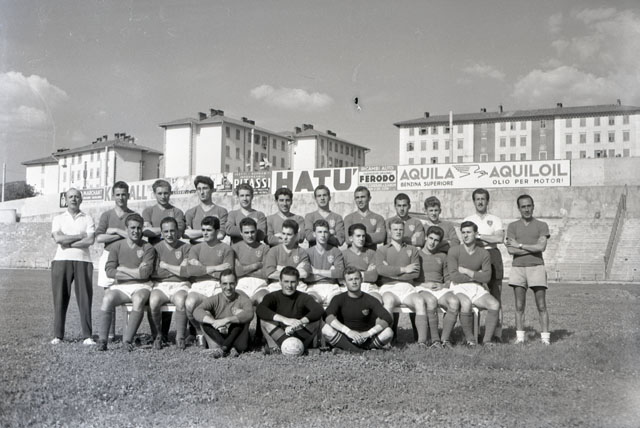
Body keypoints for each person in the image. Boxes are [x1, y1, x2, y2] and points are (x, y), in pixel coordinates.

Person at [97, 213, 156, 351]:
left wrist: (122, 268)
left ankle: (127, 340)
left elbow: (144, 274)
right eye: (132, 228)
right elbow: (109, 271)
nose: (136, 231)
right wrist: (135, 272)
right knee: (107, 298)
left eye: (139, 228)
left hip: (142, 286)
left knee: (139, 299)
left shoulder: (147, 247)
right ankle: (102, 340)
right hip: (122, 286)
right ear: (126, 229)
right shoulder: (116, 246)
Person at [50, 188, 95, 345]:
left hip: (83, 260)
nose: (74, 199)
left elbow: (90, 241)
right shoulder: (58, 218)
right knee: (60, 298)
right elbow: (58, 239)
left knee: (85, 298)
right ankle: (58, 335)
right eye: (71, 197)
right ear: (66, 200)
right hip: (61, 260)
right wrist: (79, 236)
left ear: (81, 199)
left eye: (76, 196)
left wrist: (67, 242)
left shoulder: (87, 218)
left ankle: (87, 336)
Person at [142, 179, 185, 342]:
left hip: (173, 252)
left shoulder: (177, 211)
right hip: (154, 253)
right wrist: (165, 231)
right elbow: (145, 231)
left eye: (166, 193)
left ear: (170, 193)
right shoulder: (148, 211)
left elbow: (179, 233)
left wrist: (157, 231)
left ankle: (165, 333)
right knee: (155, 295)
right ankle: (157, 334)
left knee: (171, 288)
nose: (163, 196)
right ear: (154, 194)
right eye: (159, 193)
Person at [505, 195, 551, 345]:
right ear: (519, 208)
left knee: (541, 305)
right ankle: (520, 338)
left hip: (536, 267)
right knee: (519, 305)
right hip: (518, 268)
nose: (526, 209)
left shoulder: (541, 225)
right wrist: (532, 248)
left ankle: (545, 339)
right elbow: (511, 250)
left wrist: (520, 245)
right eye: (523, 206)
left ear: (533, 206)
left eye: (529, 206)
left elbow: (541, 247)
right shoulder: (512, 226)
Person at [447, 221, 500, 347]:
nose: (465, 235)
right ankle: (470, 340)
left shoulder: (484, 253)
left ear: (476, 234)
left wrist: (467, 271)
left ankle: (487, 341)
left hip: (477, 287)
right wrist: (476, 276)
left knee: (494, 304)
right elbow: (454, 276)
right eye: (463, 232)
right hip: (458, 287)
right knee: (466, 303)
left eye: (469, 232)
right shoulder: (454, 251)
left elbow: (486, 277)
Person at [184, 216, 234, 347]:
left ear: (217, 231)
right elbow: (191, 271)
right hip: (199, 285)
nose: (205, 233)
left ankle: (214, 335)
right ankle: (199, 332)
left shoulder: (226, 249)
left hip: (218, 286)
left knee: (212, 309)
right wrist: (216, 268)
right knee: (189, 303)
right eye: (203, 230)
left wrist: (201, 267)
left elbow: (226, 274)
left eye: (209, 230)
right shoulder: (196, 248)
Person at [376, 219, 428, 345]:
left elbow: (415, 273)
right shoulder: (382, 250)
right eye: (395, 229)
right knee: (388, 301)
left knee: (420, 301)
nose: (398, 232)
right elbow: (381, 270)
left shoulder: (412, 249)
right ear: (390, 231)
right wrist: (404, 269)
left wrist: (391, 272)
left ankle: (422, 342)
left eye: (400, 229)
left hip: (407, 287)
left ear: (404, 231)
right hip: (389, 287)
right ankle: (386, 341)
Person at [95, 181, 135, 340]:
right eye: (118, 194)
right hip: (109, 255)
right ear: (113, 196)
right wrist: (120, 231)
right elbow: (99, 238)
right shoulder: (106, 215)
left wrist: (114, 232)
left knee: (129, 293)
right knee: (108, 295)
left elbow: (135, 236)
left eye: (124, 194)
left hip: (126, 257)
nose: (121, 198)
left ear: (128, 195)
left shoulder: (132, 215)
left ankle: (128, 334)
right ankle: (110, 334)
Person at [464, 188, 504, 342]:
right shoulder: (468, 219)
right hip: (475, 255)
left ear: (487, 201)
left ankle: (497, 334)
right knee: (475, 294)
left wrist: (479, 235)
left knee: (496, 295)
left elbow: (499, 238)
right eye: (477, 199)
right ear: (474, 201)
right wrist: (488, 237)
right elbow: (466, 240)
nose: (480, 202)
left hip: (493, 255)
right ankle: (476, 332)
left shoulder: (495, 219)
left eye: (483, 199)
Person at [322, 268, 394, 353]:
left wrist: (368, 333)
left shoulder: (370, 299)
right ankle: (362, 351)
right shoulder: (338, 298)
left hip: (366, 338)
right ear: (344, 282)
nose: (354, 282)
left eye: (356, 278)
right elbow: (327, 315)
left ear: (361, 280)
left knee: (388, 332)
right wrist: (348, 331)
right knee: (326, 329)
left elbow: (387, 318)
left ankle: (346, 350)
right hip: (345, 337)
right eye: (350, 279)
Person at [256, 266, 324, 354]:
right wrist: (285, 320)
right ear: (280, 281)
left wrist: (299, 322)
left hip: (298, 333)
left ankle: (287, 349)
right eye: (286, 281)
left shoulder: (304, 297)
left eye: (293, 282)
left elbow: (318, 310)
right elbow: (260, 309)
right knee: (264, 320)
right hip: (280, 335)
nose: (289, 285)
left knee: (316, 321)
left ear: (298, 282)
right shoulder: (272, 296)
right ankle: (281, 348)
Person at [149, 217, 191, 350]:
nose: (169, 234)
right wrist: (177, 270)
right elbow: (155, 273)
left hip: (181, 284)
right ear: (161, 233)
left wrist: (166, 266)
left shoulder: (186, 247)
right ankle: (158, 335)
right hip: (161, 284)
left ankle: (180, 337)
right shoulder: (155, 248)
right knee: (153, 301)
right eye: (166, 231)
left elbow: (186, 272)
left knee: (180, 301)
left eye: (172, 231)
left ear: (178, 231)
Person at [415, 226, 460, 348]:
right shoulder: (417, 254)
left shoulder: (442, 256)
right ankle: (435, 340)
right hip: (421, 287)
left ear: (439, 242)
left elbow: (448, 279)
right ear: (426, 237)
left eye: (436, 240)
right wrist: (424, 285)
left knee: (454, 302)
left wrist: (442, 285)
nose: (432, 242)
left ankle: (445, 339)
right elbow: (411, 279)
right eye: (430, 238)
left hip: (439, 289)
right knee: (431, 301)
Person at [193, 269, 254, 357]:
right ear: (220, 284)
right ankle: (226, 347)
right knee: (205, 315)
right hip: (218, 335)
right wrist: (213, 322)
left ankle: (224, 348)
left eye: (231, 283)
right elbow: (197, 311)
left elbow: (250, 313)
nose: (228, 287)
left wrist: (226, 320)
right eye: (225, 284)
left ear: (236, 283)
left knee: (241, 315)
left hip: (237, 337)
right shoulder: (215, 299)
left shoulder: (243, 299)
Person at [304, 219, 345, 306]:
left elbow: (340, 273)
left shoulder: (336, 251)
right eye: (319, 232)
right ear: (314, 234)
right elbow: (307, 278)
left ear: (329, 234)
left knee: (337, 303)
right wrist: (331, 273)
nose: (323, 235)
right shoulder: (307, 252)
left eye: (325, 232)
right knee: (311, 303)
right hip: (313, 286)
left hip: (332, 286)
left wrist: (316, 271)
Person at [232, 217, 270, 304]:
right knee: (239, 303)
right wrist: (255, 266)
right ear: (241, 233)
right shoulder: (234, 248)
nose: (250, 235)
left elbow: (266, 273)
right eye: (246, 232)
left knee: (264, 301)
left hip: (260, 284)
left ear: (256, 231)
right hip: (241, 284)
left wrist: (243, 269)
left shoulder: (264, 248)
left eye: (252, 232)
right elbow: (235, 272)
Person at [264, 219, 310, 289]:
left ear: (296, 235)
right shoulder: (273, 251)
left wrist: (280, 269)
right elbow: (270, 274)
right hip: (277, 284)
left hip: (297, 285)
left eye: (289, 234)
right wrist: (295, 271)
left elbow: (304, 274)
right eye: (283, 233)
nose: (285, 237)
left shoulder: (302, 252)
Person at [342, 223, 381, 302]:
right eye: (358, 236)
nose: (361, 239)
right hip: (349, 286)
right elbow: (341, 278)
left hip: (368, 285)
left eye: (363, 236)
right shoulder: (343, 254)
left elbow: (373, 276)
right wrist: (366, 273)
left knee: (377, 301)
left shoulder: (372, 253)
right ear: (351, 238)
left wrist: (351, 274)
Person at [184, 175, 228, 243]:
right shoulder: (190, 212)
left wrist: (195, 236)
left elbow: (220, 235)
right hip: (195, 248)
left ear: (212, 190)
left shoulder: (221, 211)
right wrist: (210, 231)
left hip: (214, 248)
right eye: (199, 189)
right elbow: (186, 234)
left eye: (205, 188)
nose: (202, 192)